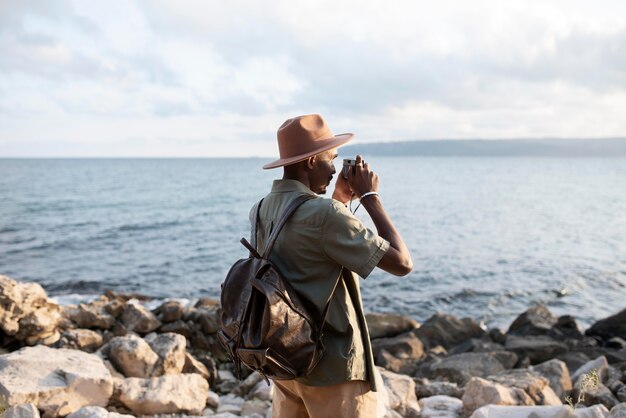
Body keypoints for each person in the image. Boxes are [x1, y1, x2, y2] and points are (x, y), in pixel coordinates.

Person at [253, 114, 413, 418]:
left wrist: (339, 198)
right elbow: (402, 262)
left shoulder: (261, 209)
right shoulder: (324, 214)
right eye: (332, 158)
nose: (335, 168)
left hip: (285, 360)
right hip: (332, 367)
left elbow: (311, 246)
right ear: (312, 160)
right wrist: (369, 196)